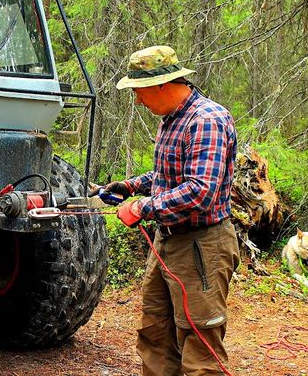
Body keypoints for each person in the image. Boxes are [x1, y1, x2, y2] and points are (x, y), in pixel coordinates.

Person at [95, 45, 240, 375]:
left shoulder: (206, 120)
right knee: (156, 332)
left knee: (200, 343)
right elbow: (170, 176)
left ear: (161, 84)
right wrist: (131, 186)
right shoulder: (172, 119)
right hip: (167, 241)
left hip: (201, 246)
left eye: (139, 91)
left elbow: (200, 191)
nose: (137, 100)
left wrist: (143, 207)